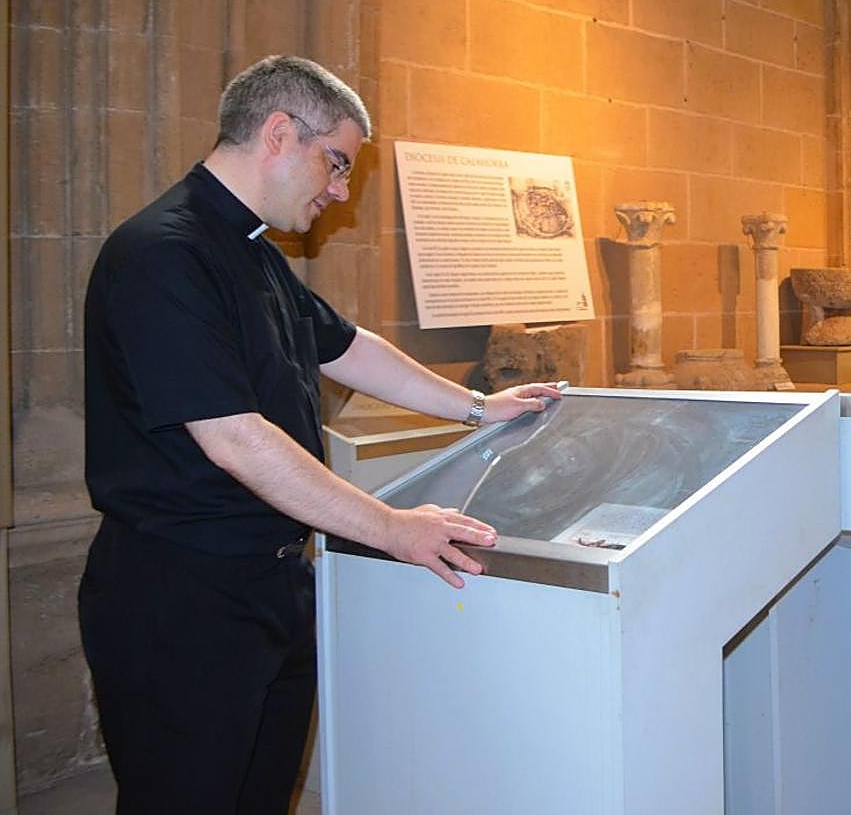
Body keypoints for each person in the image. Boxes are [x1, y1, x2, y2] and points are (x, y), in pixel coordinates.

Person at [78, 55, 561, 815]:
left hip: (269, 582)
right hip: (180, 598)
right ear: (278, 133)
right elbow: (234, 438)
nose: (340, 191)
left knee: (262, 795)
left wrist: (478, 408)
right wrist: (392, 528)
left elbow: (350, 347)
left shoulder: (252, 254)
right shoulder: (162, 254)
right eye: (335, 163)